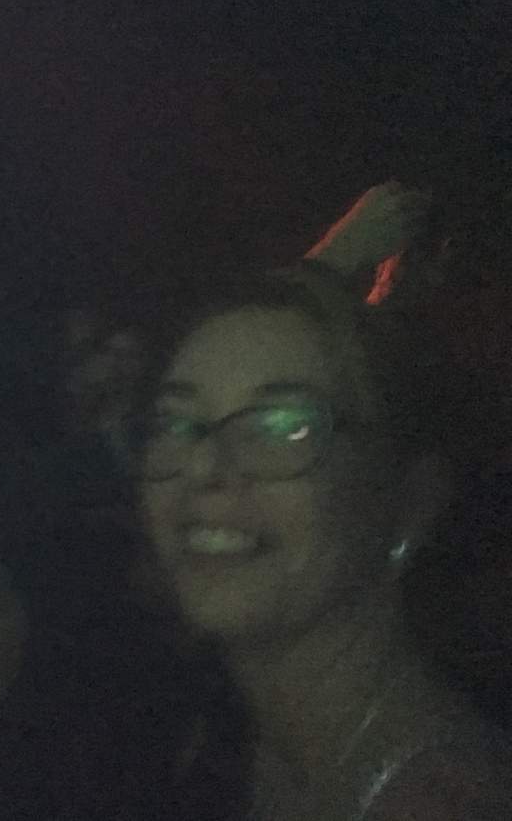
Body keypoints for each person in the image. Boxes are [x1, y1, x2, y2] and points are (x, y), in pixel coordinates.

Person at [130, 267, 512, 820]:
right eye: (176, 424)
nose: (203, 466)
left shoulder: (453, 802)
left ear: (409, 503)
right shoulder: (204, 747)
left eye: (284, 425)